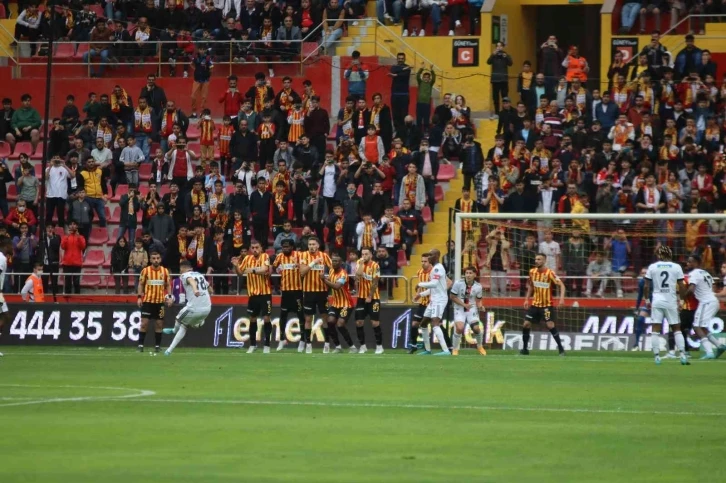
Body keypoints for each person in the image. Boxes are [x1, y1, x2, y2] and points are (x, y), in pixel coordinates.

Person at [643, 245, 688, 365]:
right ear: (670, 254)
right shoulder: (676, 267)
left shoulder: (652, 267)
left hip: (657, 301)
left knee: (655, 329)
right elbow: (682, 286)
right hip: (671, 301)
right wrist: (681, 301)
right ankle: (683, 355)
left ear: (659, 255)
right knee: (676, 328)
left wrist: (647, 300)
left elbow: (646, 286)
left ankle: (657, 357)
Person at [162, 260, 212, 356]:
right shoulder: (200, 275)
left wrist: (195, 289)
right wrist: (208, 292)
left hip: (194, 309)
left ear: (182, 268)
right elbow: (209, 287)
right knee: (184, 325)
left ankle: (174, 330)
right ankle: (168, 351)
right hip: (207, 308)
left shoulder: (184, 275)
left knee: (178, 318)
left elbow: (191, 280)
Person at [521, 253, 566, 356]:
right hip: (535, 304)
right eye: (536, 259)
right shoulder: (532, 272)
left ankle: (561, 349)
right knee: (526, 324)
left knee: (550, 325)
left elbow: (562, 285)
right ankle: (524, 349)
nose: (536, 261)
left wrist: (561, 299)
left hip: (546, 305)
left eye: (539, 259)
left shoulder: (550, 273)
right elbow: (531, 286)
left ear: (544, 261)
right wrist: (527, 299)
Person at [685, 255, 726, 360]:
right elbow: (712, 288)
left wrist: (683, 297)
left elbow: (691, 289)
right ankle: (719, 346)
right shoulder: (706, 273)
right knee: (702, 327)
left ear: (696, 263)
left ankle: (709, 352)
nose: (688, 264)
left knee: (696, 326)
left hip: (706, 302)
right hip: (712, 301)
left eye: (690, 262)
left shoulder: (694, 274)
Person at [236, 240, 273, 353]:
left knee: (266, 318)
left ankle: (267, 344)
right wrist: (236, 265)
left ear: (261, 248)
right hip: (252, 294)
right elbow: (240, 273)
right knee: (252, 318)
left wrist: (251, 270)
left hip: (265, 293)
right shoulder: (247, 258)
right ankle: (252, 344)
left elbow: (264, 269)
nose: (255, 250)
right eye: (253, 248)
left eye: (257, 247)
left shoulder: (265, 256)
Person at [298, 237, 333, 353]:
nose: (311, 246)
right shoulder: (303, 255)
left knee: (325, 317)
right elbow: (302, 272)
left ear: (318, 245)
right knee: (308, 318)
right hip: (308, 292)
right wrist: (313, 262)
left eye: (313, 244)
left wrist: (328, 277)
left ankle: (327, 343)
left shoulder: (324, 256)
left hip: (322, 291)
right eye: (310, 244)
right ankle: (308, 344)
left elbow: (333, 268)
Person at [415, 248, 452, 355]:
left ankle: (446, 350)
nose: (429, 257)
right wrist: (421, 295)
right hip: (434, 300)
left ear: (436, 256)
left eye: (431, 255)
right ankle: (428, 350)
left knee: (435, 323)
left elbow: (434, 284)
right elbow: (433, 288)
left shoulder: (437, 268)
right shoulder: (435, 268)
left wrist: (420, 284)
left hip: (439, 300)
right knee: (423, 324)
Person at [271, 239, 305, 351]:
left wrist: (298, 265)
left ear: (292, 247)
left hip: (297, 291)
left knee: (301, 316)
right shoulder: (280, 256)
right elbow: (273, 267)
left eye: (287, 247)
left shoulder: (299, 255)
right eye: (283, 247)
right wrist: (277, 269)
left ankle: (302, 341)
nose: (285, 249)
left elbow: (305, 268)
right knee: (283, 316)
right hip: (285, 291)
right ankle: (282, 340)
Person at [137, 251, 172, 353]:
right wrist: (139, 297)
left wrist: (170, 297)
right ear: (150, 260)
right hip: (148, 301)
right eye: (153, 258)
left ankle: (157, 346)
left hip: (160, 302)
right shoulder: (145, 271)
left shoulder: (165, 271)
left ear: (160, 259)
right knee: (144, 324)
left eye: (157, 258)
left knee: (159, 324)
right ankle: (140, 346)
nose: (156, 260)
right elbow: (140, 284)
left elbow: (168, 285)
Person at [322, 253, 357, 353]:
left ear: (341, 263)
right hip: (335, 303)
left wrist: (324, 279)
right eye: (333, 261)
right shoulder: (331, 271)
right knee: (330, 322)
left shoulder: (343, 274)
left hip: (346, 304)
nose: (334, 263)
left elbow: (337, 286)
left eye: (336, 261)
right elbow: (329, 285)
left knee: (340, 324)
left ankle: (352, 347)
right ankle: (338, 346)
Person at [449, 265, 487, 356]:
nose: (468, 275)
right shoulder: (458, 283)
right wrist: (464, 305)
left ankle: (480, 346)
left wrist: (481, 306)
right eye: (466, 273)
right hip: (459, 308)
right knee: (459, 328)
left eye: (470, 273)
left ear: (475, 275)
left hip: (471, 308)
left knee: (476, 328)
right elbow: (452, 297)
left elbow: (478, 300)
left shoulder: (478, 286)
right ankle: (455, 349)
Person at [353, 247, 383, 354]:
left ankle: (379, 346)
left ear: (371, 255)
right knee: (359, 322)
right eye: (363, 254)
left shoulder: (375, 265)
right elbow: (357, 276)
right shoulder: (359, 263)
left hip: (373, 297)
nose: (364, 256)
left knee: (374, 322)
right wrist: (361, 264)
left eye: (366, 254)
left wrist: (370, 296)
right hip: (361, 297)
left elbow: (375, 282)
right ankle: (363, 346)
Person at [487, 42, 513, 119]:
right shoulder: (494, 56)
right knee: (495, 97)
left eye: (500, 46)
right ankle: (497, 113)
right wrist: (493, 54)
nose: (499, 47)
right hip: (495, 80)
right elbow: (488, 62)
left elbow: (510, 63)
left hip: (504, 80)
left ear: (503, 47)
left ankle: (505, 112)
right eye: (497, 46)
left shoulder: (505, 55)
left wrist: (506, 56)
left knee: (505, 97)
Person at [61, 221, 86, 295]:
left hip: (77, 264)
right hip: (67, 263)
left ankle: (77, 298)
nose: (72, 226)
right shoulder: (65, 236)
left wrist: (78, 237)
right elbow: (63, 246)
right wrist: (67, 236)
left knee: (76, 282)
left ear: (77, 226)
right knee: (67, 282)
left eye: (74, 224)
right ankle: (67, 298)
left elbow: (83, 247)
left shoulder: (81, 237)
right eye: (71, 224)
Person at [0, 238, 13, 355]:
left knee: (6, 316)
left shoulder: (3, 257)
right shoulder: (1, 258)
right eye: (10, 245)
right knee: (6, 315)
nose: (12, 247)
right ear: (6, 246)